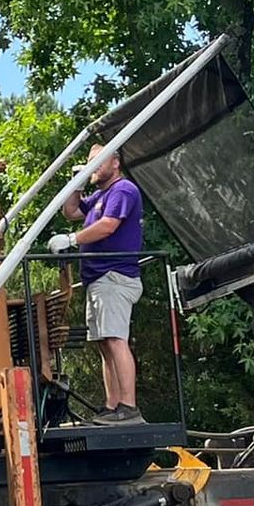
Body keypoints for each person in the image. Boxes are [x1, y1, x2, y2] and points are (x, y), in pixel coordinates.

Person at [48, 154, 145, 424]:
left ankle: (129, 406)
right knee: (104, 344)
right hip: (98, 279)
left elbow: (108, 225)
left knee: (115, 339)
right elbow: (71, 212)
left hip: (115, 276)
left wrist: (71, 239)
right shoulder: (99, 196)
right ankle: (112, 405)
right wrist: (77, 183)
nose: (93, 165)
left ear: (115, 162)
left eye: (98, 160)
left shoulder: (122, 189)